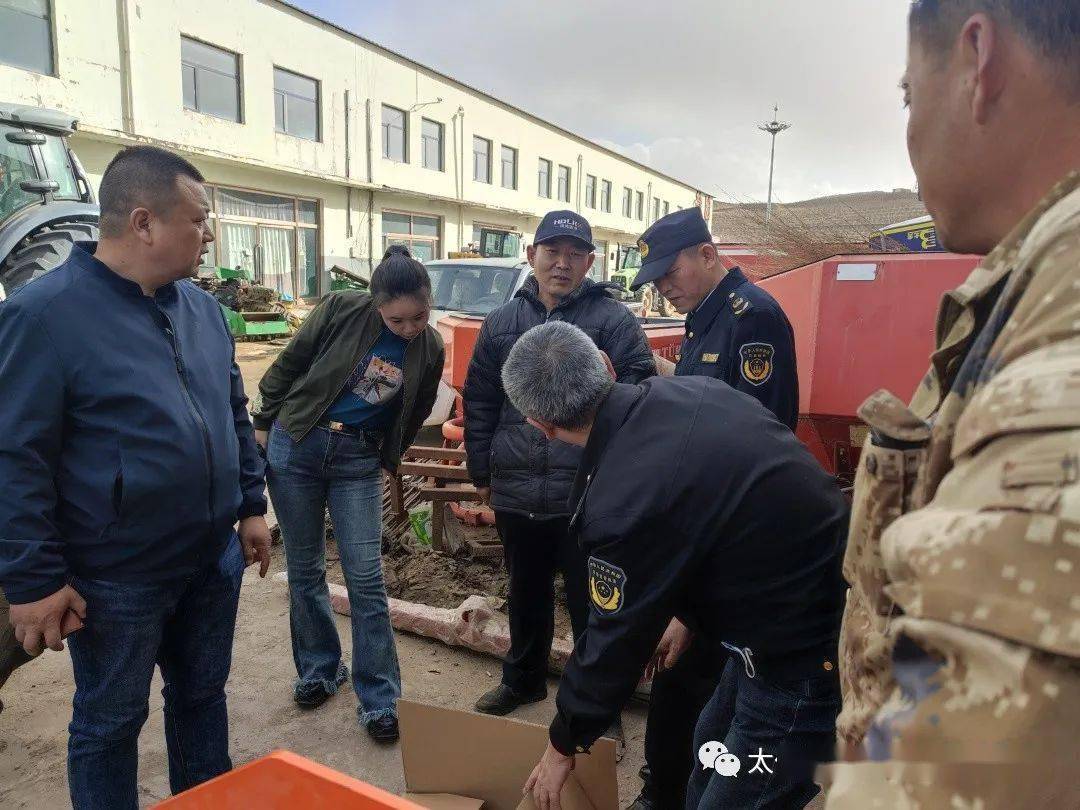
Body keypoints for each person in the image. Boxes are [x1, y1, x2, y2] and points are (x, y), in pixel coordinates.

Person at [824, 1, 1080, 806]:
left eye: (909, 94)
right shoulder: (1026, 286)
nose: (909, 130)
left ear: (979, 59)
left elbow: (979, 762)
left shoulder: (1064, 300)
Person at [0, 145, 271, 810]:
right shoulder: (44, 316)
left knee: (203, 701)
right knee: (109, 725)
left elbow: (233, 411)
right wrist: (34, 583)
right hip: (116, 578)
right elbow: (14, 458)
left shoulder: (202, 310)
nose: (209, 236)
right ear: (144, 223)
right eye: (200, 220)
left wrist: (249, 505)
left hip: (211, 562)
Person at [506, 321, 848, 809]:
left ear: (539, 426)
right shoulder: (696, 392)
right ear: (605, 364)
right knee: (709, 747)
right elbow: (727, 514)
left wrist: (563, 745)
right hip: (797, 600)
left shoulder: (622, 502)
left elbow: (614, 643)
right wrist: (687, 613)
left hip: (805, 654)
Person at [625, 206, 801, 809]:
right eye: (654, 280)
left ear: (706, 253)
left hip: (733, 533)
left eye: (668, 273)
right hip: (702, 519)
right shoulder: (704, 318)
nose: (662, 288)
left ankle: (672, 793)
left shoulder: (753, 319)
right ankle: (669, 786)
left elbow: (758, 442)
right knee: (687, 680)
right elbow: (708, 405)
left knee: (694, 677)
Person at [463, 210, 654, 720]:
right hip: (517, 488)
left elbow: (639, 394)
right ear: (532, 256)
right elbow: (480, 399)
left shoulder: (613, 322)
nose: (562, 264)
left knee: (592, 603)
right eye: (552, 252)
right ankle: (523, 681)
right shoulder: (503, 322)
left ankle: (596, 703)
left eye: (575, 254)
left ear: (591, 262)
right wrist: (481, 471)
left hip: (587, 491)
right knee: (525, 593)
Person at [252, 245, 444, 743]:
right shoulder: (340, 308)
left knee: (366, 579)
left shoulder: (432, 346)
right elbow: (289, 364)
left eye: (418, 316)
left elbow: (419, 407)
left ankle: (380, 698)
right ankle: (319, 669)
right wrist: (261, 423)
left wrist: (389, 457)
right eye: (397, 319)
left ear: (429, 301)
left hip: (358, 461)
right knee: (307, 568)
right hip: (298, 445)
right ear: (376, 304)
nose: (408, 328)